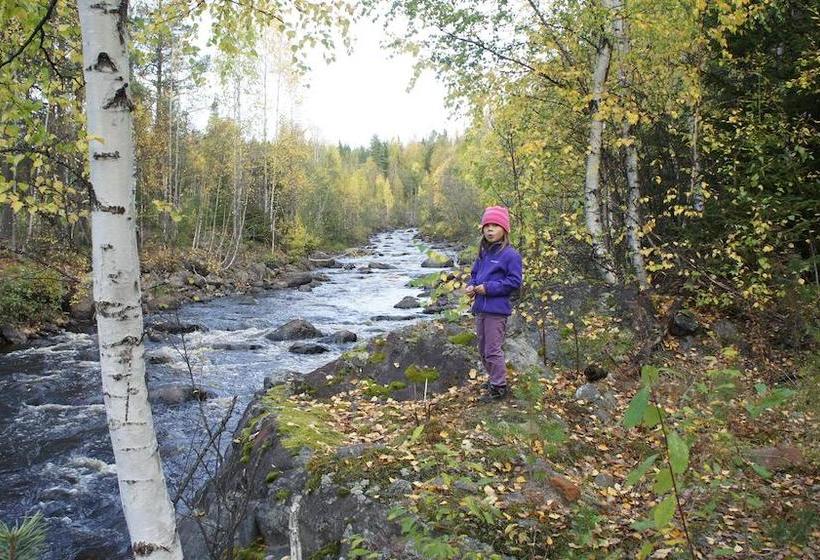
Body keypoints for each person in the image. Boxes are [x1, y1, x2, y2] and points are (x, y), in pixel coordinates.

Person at [465, 206, 523, 400]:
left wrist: (488, 288)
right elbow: (475, 274)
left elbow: (514, 282)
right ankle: (493, 378)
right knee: (482, 349)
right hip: (481, 308)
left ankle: (499, 386)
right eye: (487, 226)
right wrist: (471, 286)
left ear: (504, 229)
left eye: (495, 226)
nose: (490, 229)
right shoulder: (483, 253)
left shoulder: (510, 255)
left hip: (497, 311)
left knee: (492, 349)